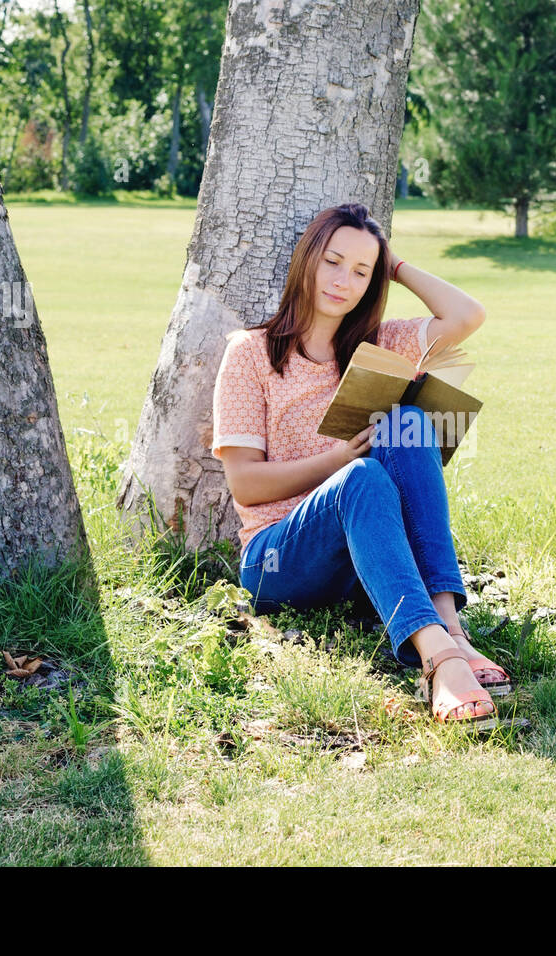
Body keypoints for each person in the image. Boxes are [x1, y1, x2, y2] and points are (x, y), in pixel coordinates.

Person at [210, 202, 510, 727]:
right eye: (332, 261)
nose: (342, 280)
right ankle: (439, 658)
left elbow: (468, 316)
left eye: (360, 271)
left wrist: (393, 264)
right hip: (278, 558)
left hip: (365, 553)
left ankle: (449, 626)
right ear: (306, 260)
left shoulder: (380, 345)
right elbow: (244, 483)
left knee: (410, 423)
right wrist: (334, 462)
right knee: (362, 474)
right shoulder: (251, 353)